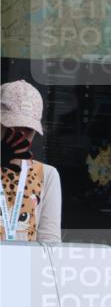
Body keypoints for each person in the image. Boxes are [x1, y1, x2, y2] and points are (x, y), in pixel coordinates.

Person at [0, 80, 61, 242]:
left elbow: (50, 241)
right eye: (12, 126)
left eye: (28, 129)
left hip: (27, 259)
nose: (20, 134)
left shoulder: (47, 175)